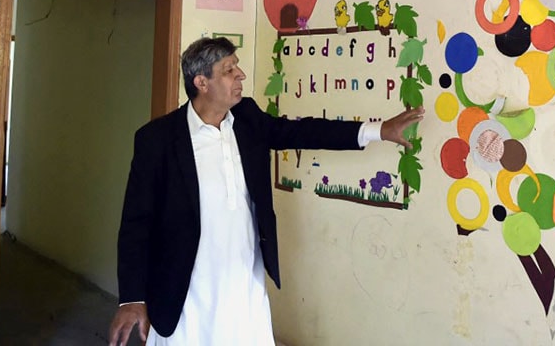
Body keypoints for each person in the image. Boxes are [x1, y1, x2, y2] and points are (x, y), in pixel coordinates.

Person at [108, 37, 424, 346]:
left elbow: (303, 131)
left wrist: (376, 130)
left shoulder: (247, 118)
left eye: (236, 67)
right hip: (186, 284)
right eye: (228, 70)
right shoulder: (158, 139)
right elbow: (137, 222)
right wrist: (132, 298)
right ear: (201, 82)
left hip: (244, 275)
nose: (240, 75)